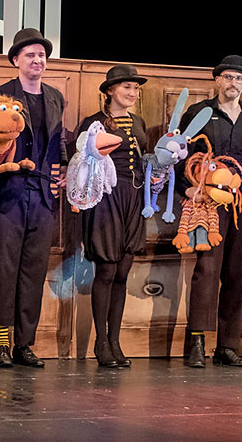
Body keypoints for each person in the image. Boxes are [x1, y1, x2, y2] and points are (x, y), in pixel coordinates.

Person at [0, 28, 67, 368]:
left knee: (34, 271)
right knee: (4, 267)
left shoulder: (54, 97)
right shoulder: (1, 94)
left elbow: (58, 140)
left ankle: (24, 344)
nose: (37, 60)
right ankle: (1, 341)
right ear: (16, 60)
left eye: (41, 55)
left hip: (42, 196)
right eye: (30, 55)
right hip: (5, 194)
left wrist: (64, 168)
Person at [179, 55, 242, 368]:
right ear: (217, 80)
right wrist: (187, 190)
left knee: (237, 271)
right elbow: (181, 154)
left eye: (239, 78)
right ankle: (196, 342)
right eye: (228, 77)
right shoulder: (199, 111)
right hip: (208, 199)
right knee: (207, 269)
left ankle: (227, 346)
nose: (233, 83)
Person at [78, 65, 148, 367]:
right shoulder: (93, 123)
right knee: (106, 271)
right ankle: (101, 342)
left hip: (133, 198)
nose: (132, 93)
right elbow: (82, 161)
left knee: (122, 273)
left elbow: (143, 159)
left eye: (136, 88)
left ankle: (115, 341)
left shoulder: (139, 122)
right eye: (126, 87)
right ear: (110, 91)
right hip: (106, 199)